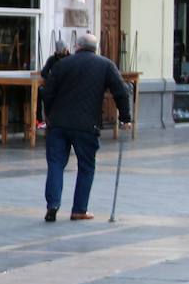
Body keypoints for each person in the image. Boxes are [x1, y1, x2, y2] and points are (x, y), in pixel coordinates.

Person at [40, 31, 131, 222]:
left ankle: (53, 205)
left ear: (77, 47)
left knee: (56, 164)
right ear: (95, 48)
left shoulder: (62, 64)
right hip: (86, 124)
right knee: (86, 167)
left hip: (59, 123)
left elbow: (47, 92)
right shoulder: (105, 65)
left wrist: (49, 115)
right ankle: (79, 209)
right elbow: (121, 92)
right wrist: (125, 117)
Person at [36, 42, 70, 129]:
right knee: (41, 92)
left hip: (67, 87)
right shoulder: (52, 59)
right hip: (54, 86)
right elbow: (44, 72)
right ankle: (42, 120)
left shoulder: (71, 58)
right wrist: (52, 79)